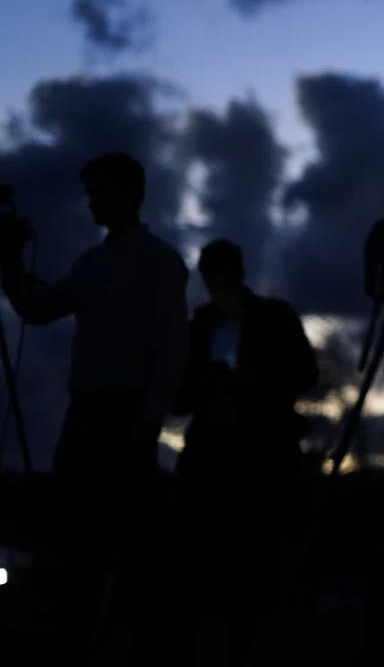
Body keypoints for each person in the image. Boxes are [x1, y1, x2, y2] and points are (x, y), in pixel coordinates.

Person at [0, 150, 190, 663]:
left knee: (124, 544)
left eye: (101, 191)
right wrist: (11, 268)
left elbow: (174, 348)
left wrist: (149, 419)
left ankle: (128, 640)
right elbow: (40, 310)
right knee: (73, 538)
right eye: (91, 192)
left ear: (129, 194)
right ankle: (75, 636)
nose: (92, 201)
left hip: (125, 416)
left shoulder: (159, 262)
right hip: (85, 415)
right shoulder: (94, 262)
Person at [172, 237, 320, 664]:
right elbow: (178, 397)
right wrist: (206, 383)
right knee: (198, 564)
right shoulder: (198, 327)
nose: (219, 281)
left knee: (257, 567)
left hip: (263, 456)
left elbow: (305, 373)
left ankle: (247, 644)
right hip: (208, 457)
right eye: (213, 273)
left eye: (223, 271)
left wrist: (256, 380)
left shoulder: (274, 317)